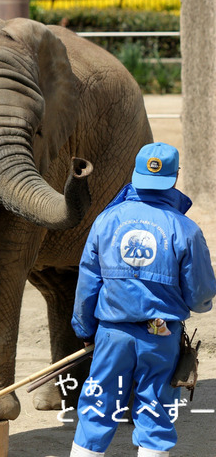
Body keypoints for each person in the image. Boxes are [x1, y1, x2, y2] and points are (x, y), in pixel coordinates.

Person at [70, 142, 216, 457]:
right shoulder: (186, 230)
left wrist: (84, 330)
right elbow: (201, 295)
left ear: (135, 174)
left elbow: (87, 282)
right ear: (176, 177)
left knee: (98, 406)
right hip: (161, 333)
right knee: (155, 409)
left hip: (113, 334)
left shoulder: (106, 221)